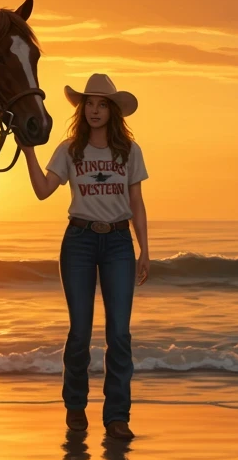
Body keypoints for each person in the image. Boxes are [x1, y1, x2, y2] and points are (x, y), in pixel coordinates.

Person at [21, 74, 149, 440]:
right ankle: (75, 407)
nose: (94, 110)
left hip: (119, 243)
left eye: (102, 104)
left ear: (113, 110)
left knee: (119, 334)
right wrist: (29, 152)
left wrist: (145, 249)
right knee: (79, 332)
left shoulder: (129, 152)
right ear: (82, 108)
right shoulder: (70, 149)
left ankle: (116, 416)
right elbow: (44, 190)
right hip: (78, 240)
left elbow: (137, 203)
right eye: (89, 103)